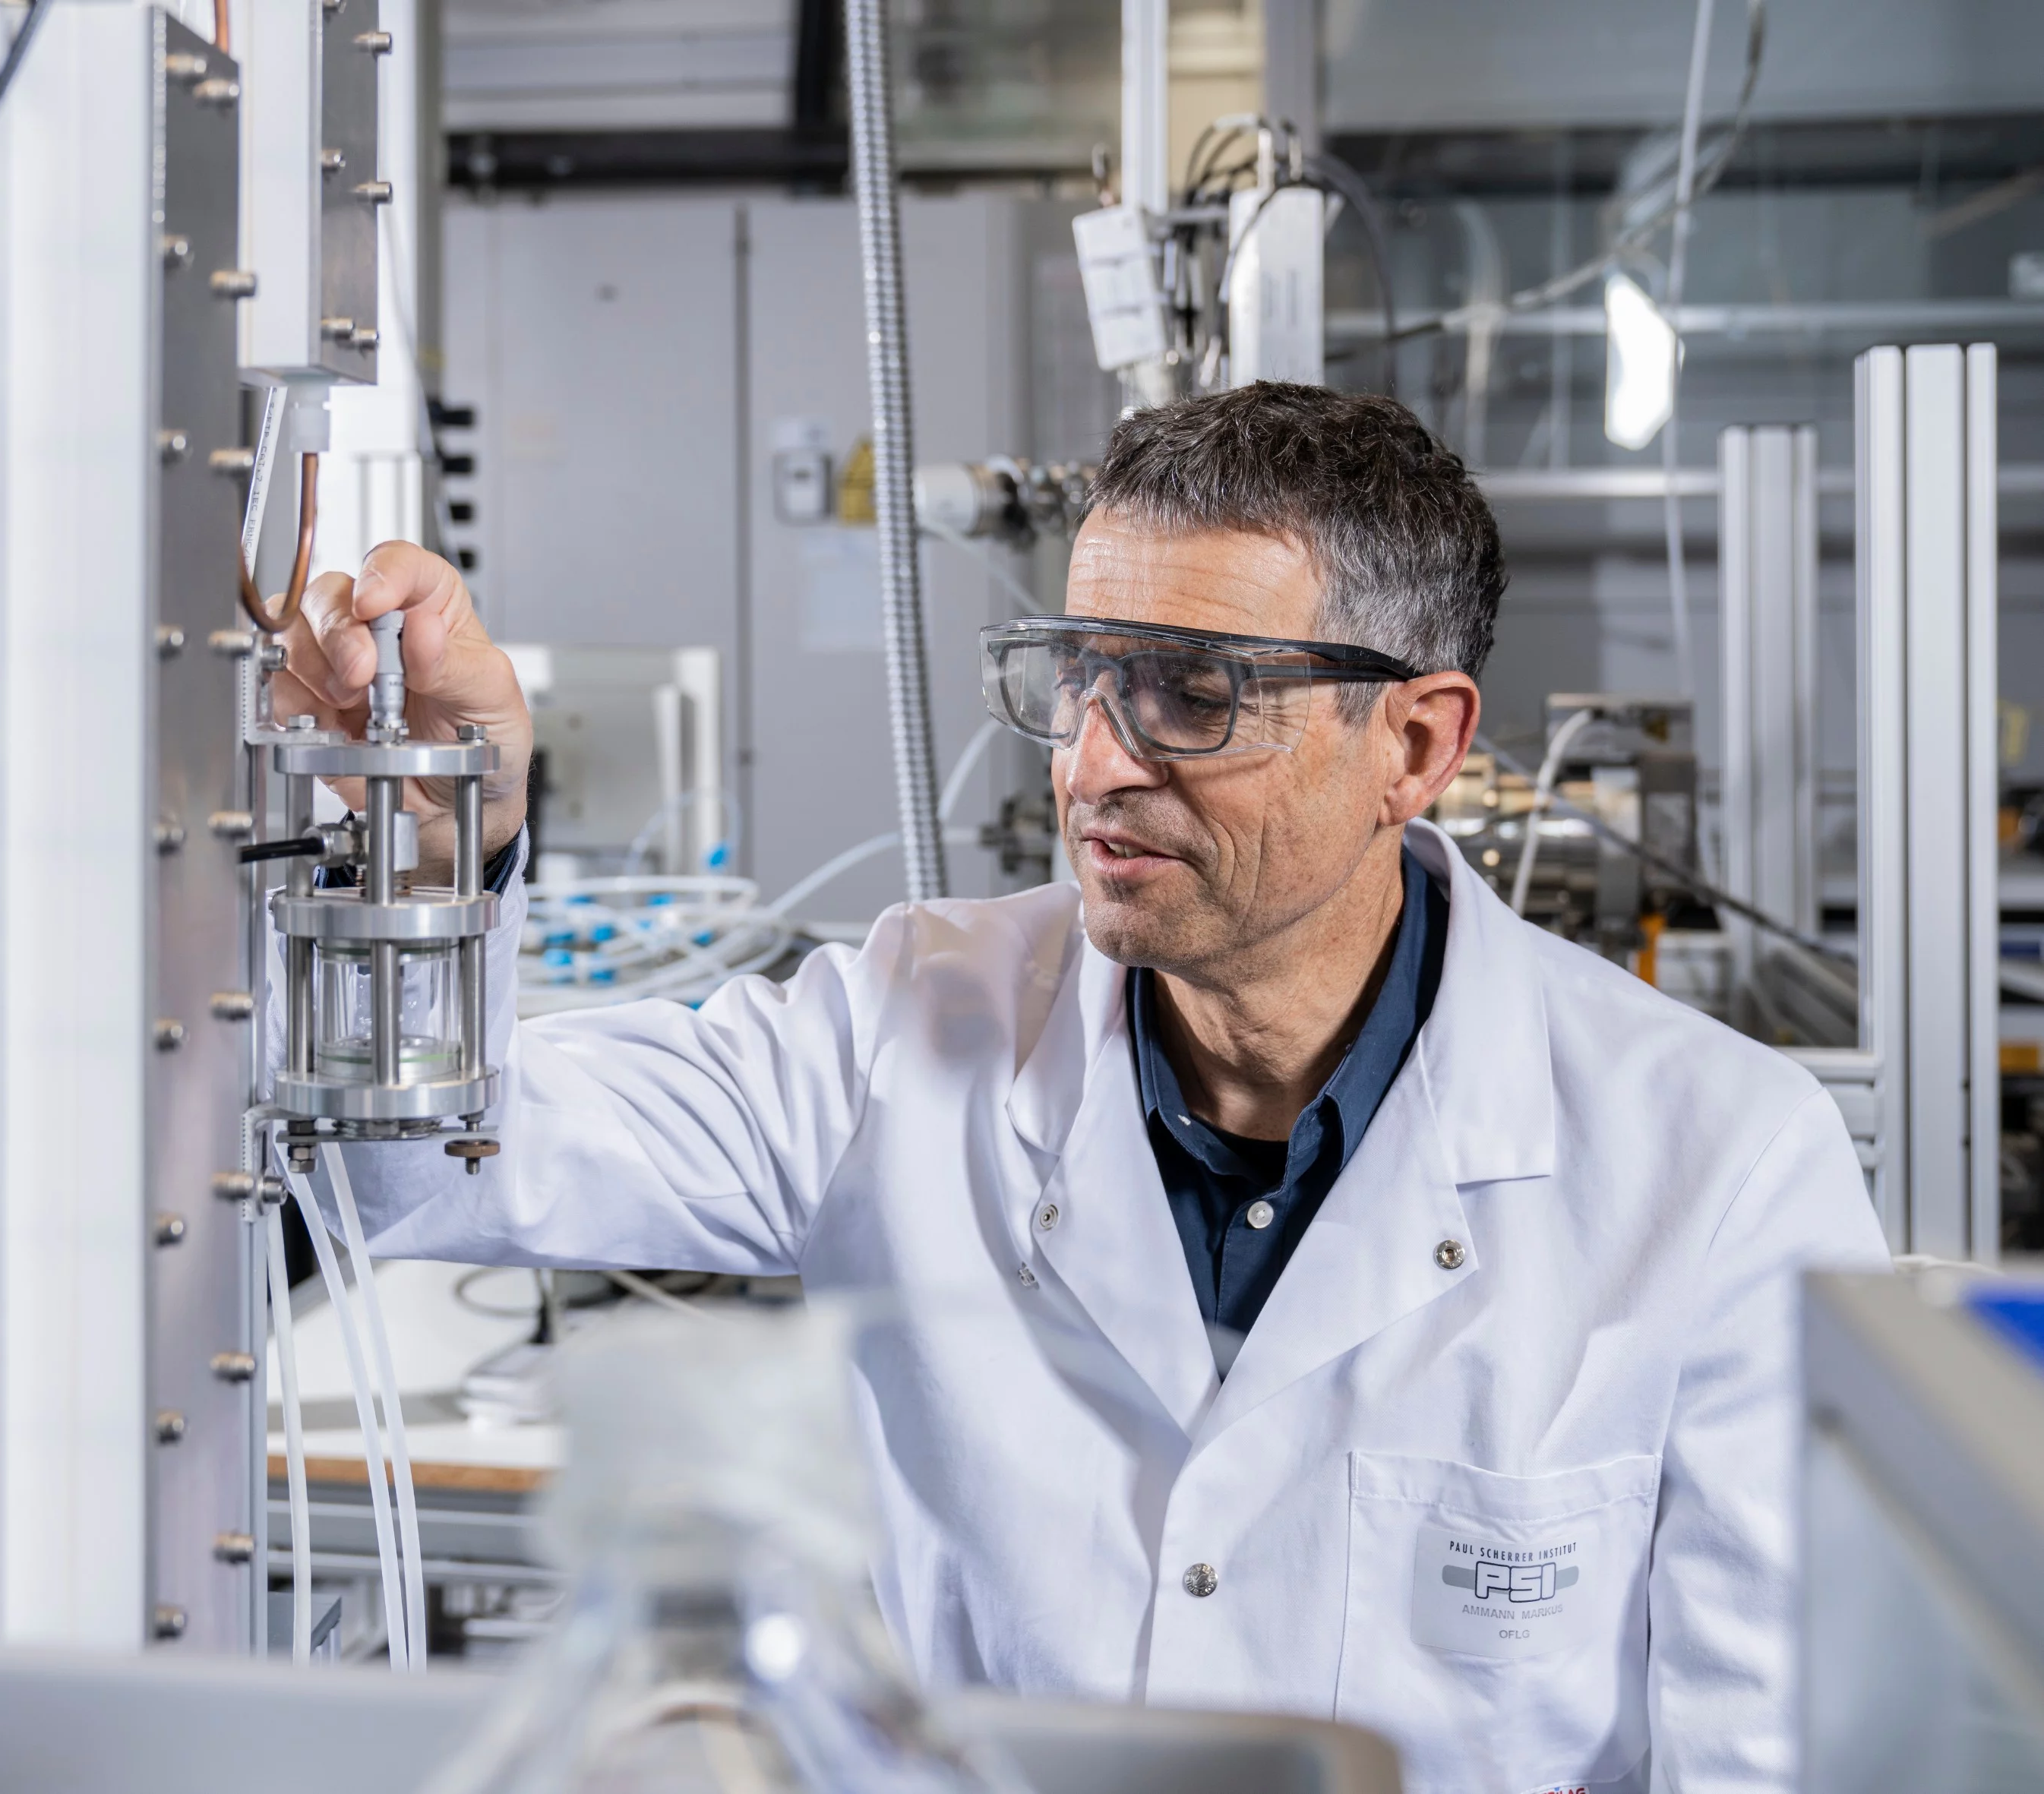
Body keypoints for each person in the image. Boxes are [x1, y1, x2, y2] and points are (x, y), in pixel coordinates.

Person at [272, 384, 1886, 1794]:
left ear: (1412, 745)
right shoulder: (907, 1027)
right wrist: (435, 851)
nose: (1095, 760)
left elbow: (1775, 1759)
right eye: (1078, 674)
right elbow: (418, 1164)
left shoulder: (1717, 1167)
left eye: (1194, 691)